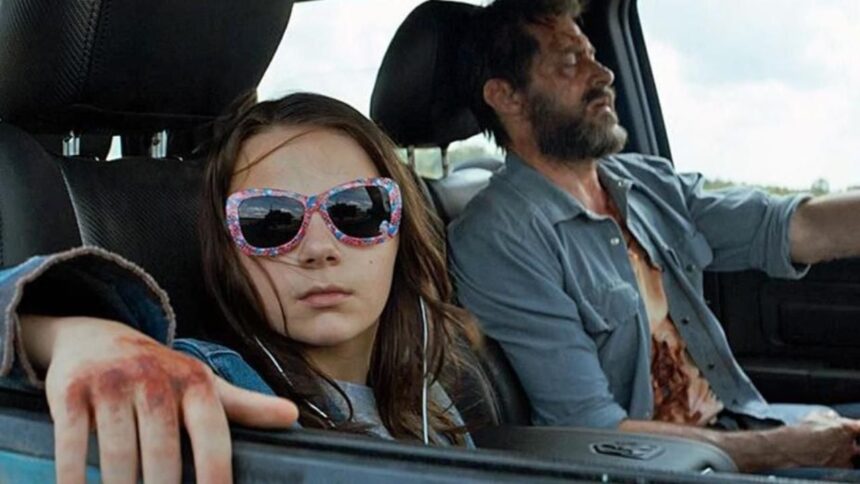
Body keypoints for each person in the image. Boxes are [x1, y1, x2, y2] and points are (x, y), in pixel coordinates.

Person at [447, 0, 860, 476]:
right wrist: (785, 449)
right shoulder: (500, 238)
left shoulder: (645, 183)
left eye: (592, 55)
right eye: (570, 61)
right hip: (669, 467)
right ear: (506, 97)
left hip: (741, 423)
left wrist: (782, 441)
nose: (603, 74)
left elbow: (787, 226)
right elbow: (593, 431)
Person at [0, 92, 481, 483]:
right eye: (270, 221)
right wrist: (63, 335)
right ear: (228, 256)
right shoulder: (208, 388)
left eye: (357, 210)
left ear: (400, 232)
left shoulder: (425, 397)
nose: (319, 248)